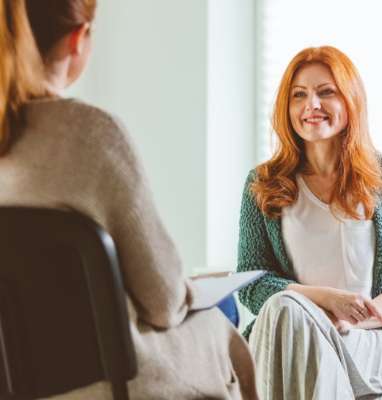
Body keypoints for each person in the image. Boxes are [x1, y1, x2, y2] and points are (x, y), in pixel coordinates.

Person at [0, 0, 258, 399]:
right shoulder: (90, 136)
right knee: (223, 315)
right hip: (109, 382)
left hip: (18, 382)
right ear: (78, 39)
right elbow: (163, 302)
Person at [237, 46, 382, 400]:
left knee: (289, 328)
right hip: (289, 333)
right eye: (298, 95)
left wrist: (356, 317)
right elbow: (252, 282)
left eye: (325, 92)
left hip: (367, 336)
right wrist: (322, 301)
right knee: (286, 313)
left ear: (350, 101)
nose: (311, 105)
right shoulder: (263, 183)